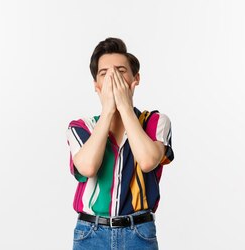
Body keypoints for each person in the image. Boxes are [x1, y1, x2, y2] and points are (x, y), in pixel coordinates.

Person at [65, 37, 175, 249]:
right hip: (90, 234)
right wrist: (108, 111)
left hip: (139, 233)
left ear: (136, 78)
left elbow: (147, 161)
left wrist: (125, 108)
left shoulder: (155, 122)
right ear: (97, 85)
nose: (113, 78)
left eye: (121, 71)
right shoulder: (81, 127)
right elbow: (87, 167)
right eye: (104, 73)